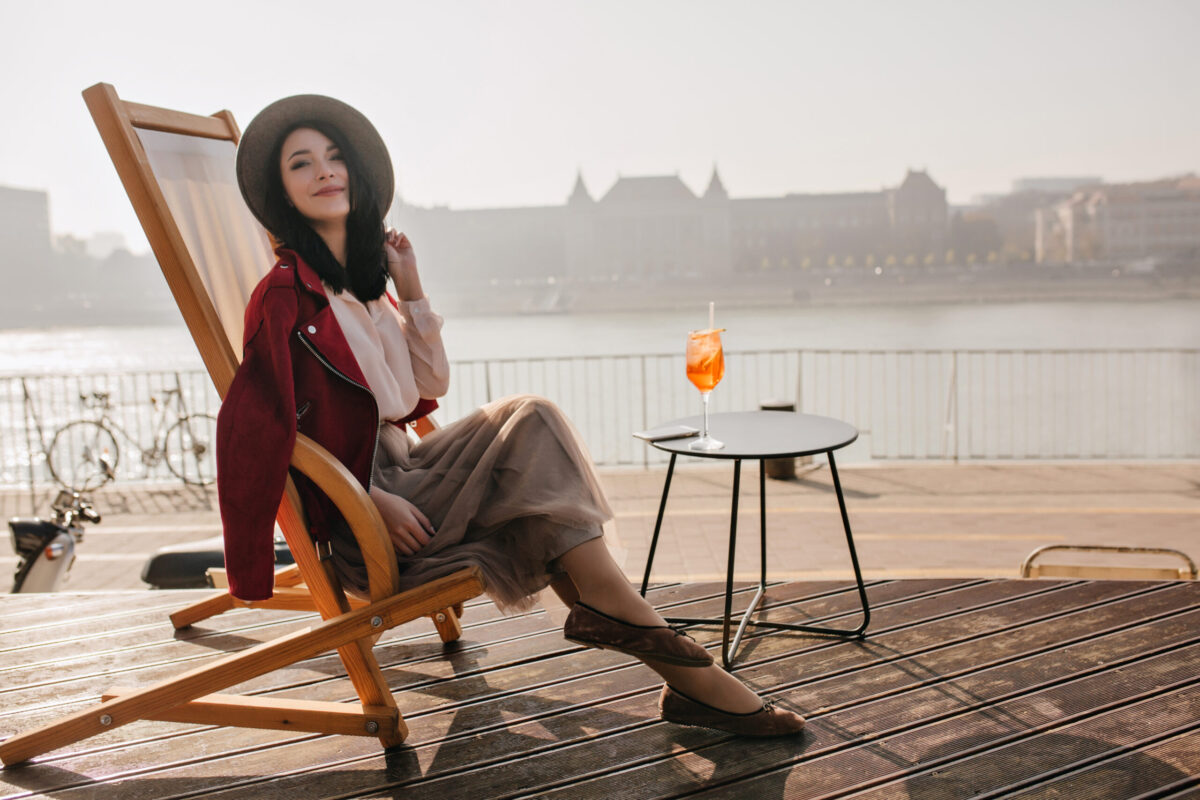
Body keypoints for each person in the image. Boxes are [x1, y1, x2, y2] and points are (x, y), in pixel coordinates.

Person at [218, 94, 804, 738]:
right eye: (302, 164)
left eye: (335, 157)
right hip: (372, 505)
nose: (326, 171)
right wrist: (365, 499)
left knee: (530, 418)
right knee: (534, 439)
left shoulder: (362, 281)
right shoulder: (284, 295)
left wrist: (410, 291)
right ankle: (673, 658)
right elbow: (263, 430)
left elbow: (423, 391)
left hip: (408, 469)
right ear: (283, 192)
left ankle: (653, 643)